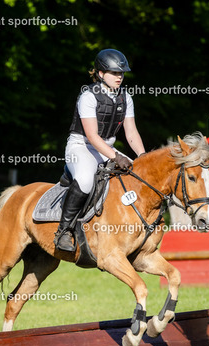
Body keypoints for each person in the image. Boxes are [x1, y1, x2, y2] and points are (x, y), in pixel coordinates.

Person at [54, 48, 146, 252]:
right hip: (81, 146)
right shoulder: (88, 96)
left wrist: (142, 156)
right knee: (86, 179)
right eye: (114, 73)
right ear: (101, 73)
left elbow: (131, 132)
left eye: (121, 73)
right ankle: (64, 231)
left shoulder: (125, 97)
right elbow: (92, 136)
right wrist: (116, 156)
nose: (119, 77)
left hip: (106, 148)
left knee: (136, 175)